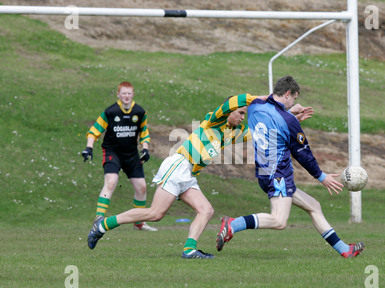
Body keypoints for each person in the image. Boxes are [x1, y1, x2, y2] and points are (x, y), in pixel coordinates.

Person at [87, 93, 269, 258]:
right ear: (229, 111)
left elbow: (256, 133)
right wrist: (265, 98)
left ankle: (189, 250)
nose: (242, 117)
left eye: (244, 114)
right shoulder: (215, 120)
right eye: (240, 113)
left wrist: (284, 112)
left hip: (187, 173)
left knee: (206, 210)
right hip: (178, 166)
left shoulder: (231, 133)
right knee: (155, 213)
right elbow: (237, 100)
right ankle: (103, 225)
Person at [216, 76, 364, 258]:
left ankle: (344, 250)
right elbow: (303, 154)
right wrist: (321, 176)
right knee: (279, 221)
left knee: (314, 206)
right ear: (287, 93)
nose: (295, 102)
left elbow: (272, 117)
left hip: (264, 173)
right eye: (294, 98)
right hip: (278, 175)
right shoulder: (288, 121)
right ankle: (233, 224)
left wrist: (291, 113)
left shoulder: (255, 107)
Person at [82, 81, 157, 232]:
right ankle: (98, 219)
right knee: (111, 182)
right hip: (112, 152)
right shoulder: (110, 112)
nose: (126, 96)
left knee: (141, 187)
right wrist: (88, 148)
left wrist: (146, 149)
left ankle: (139, 223)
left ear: (133, 94)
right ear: (118, 95)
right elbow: (94, 130)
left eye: (129, 93)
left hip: (131, 154)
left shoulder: (139, 112)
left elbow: (144, 132)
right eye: (123, 93)